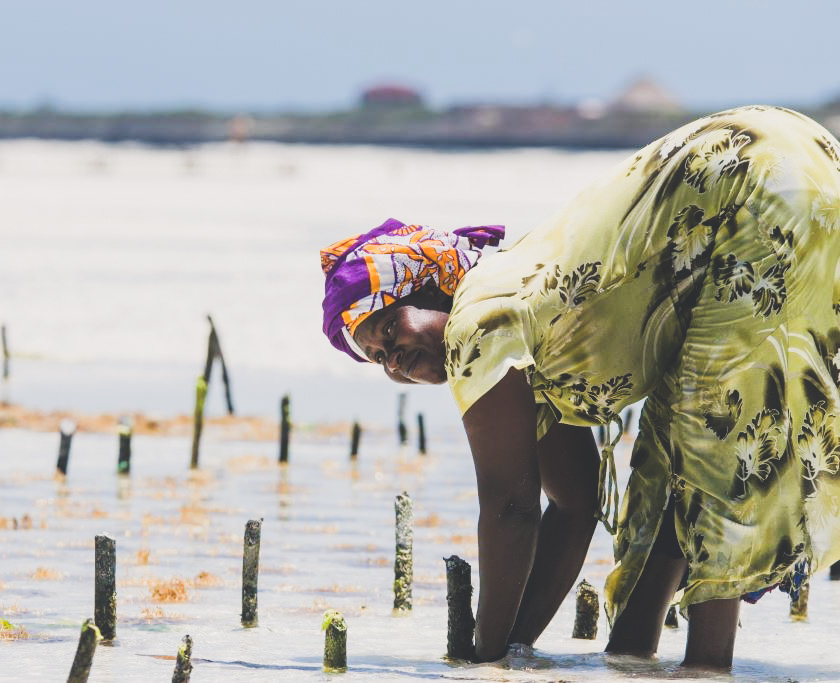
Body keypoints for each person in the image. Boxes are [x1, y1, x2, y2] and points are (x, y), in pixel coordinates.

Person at [319, 105, 840, 669]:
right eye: (376, 357)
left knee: (720, 439)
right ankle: (634, 657)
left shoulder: (479, 325)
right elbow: (573, 503)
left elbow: (511, 508)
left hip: (755, 178)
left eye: (390, 327)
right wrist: (514, 650)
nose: (394, 359)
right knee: (672, 458)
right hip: (794, 160)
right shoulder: (515, 333)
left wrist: (481, 662)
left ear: (430, 288)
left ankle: (706, 669)